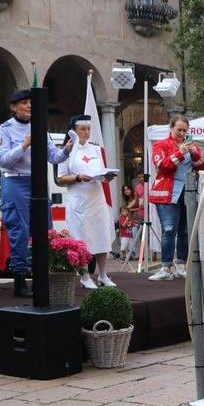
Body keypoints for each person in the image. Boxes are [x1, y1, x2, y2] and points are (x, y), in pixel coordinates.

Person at [0, 89, 73, 297]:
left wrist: (66, 150)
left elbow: (54, 157)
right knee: (19, 231)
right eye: (24, 103)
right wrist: (23, 145)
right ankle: (20, 282)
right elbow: (1, 160)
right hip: (15, 182)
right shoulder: (5, 129)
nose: (29, 106)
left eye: (31, 102)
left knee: (45, 229)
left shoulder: (40, 127)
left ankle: (41, 279)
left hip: (37, 182)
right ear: (14, 107)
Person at [57, 115, 117, 289]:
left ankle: (103, 275)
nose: (86, 132)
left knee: (102, 235)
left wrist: (107, 177)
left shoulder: (96, 149)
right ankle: (84, 276)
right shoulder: (67, 150)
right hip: (79, 200)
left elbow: (100, 172)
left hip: (97, 198)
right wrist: (77, 177)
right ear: (73, 130)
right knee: (81, 239)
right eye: (82, 129)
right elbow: (60, 178)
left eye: (88, 129)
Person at [148, 115, 204, 281]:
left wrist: (195, 155)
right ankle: (166, 267)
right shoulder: (160, 145)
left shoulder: (192, 146)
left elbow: (202, 167)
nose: (182, 133)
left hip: (187, 191)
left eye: (185, 130)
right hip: (167, 193)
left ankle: (181, 266)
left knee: (185, 230)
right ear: (171, 128)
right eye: (179, 130)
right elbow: (163, 166)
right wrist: (180, 152)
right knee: (169, 229)